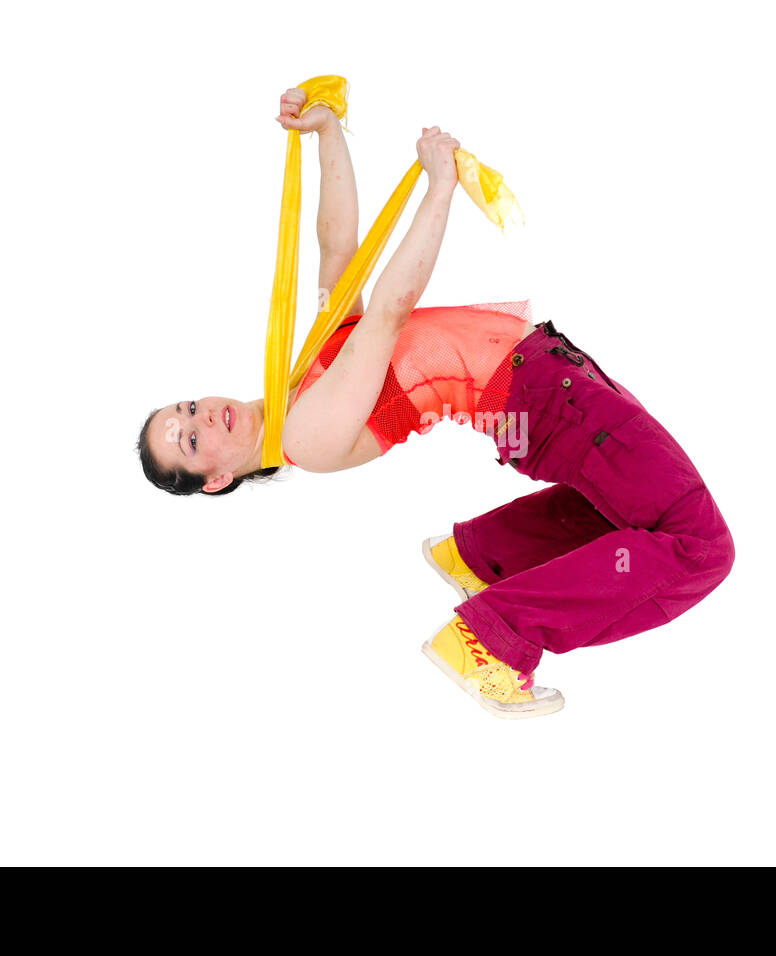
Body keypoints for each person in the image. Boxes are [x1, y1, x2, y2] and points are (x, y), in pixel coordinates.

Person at [136, 86, 735, 718]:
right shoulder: (305, 436)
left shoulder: (301, 375)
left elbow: (339, 248)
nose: (200, 417)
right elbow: (389, 313)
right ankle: (492, 639)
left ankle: (483, 556)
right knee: (699, 545)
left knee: (640, 521)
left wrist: (327, 134)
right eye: (192, 442)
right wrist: (440, 187)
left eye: (187, 409)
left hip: (541, 394)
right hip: (542, 400)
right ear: (219, 479)